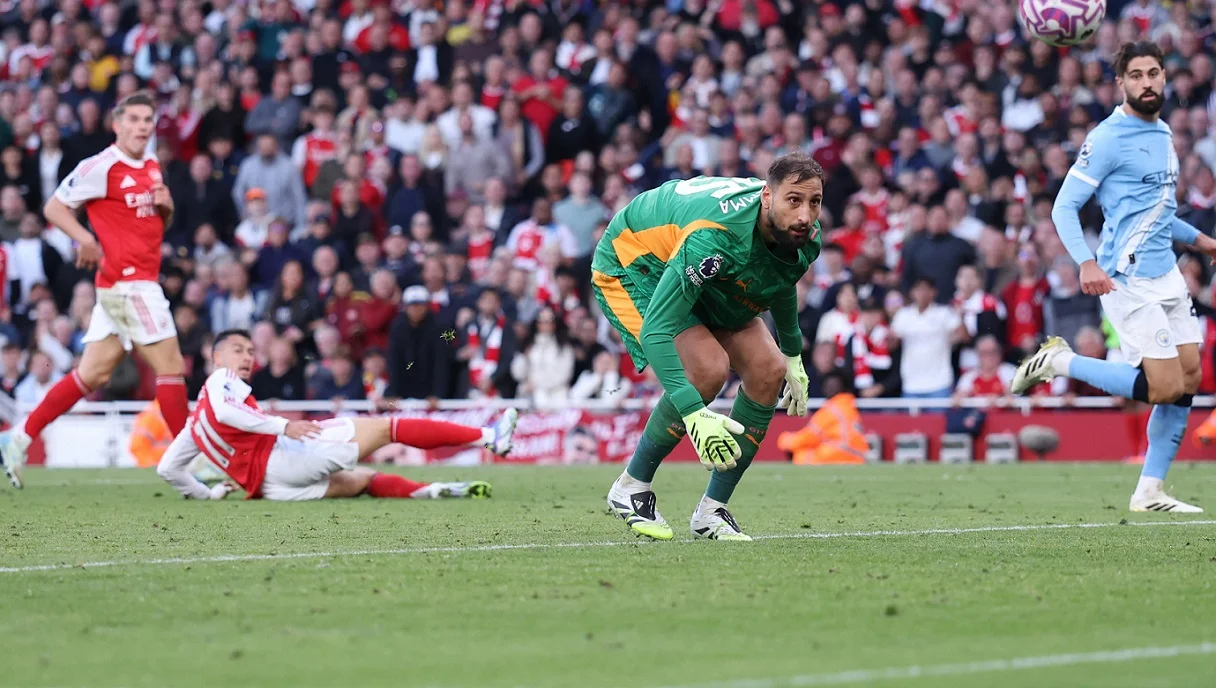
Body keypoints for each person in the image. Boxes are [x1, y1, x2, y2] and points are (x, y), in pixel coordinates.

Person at [1017, 42, 1216, 513]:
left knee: (1189, 380)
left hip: (1167, 274)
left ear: (1165, 78)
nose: (1147, 82)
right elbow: (1063, 206)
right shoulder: (1107, 137)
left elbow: (1159, 212)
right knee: (1163, 387)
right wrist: (1085, 261)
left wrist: (1202, 241)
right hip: (1126, 279)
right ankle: (1059, 362)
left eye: (1154, 73)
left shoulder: (1164, 132)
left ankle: (1149, 491)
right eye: (1137, 75)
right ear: (1120, 83)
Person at [592, 153, 822, 542]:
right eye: (794, 200)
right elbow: (656, 331)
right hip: (634, 261)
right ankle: (630, 487)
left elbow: (780, 280)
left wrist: (794, 353)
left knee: (769, 370)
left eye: (814, 202)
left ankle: (711, 512)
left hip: (698, 262)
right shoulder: (715, 237)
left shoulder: (805, 237)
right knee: (708, 369)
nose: (804, 215)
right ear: (767, 197)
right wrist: (694, 413)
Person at [1, 92, 188, 489]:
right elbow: (54, 208)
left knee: (91, 374)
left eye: (147, 119)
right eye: (134, 119)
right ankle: (186, 464)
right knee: (171, 368)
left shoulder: (152, 165)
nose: (141, 126)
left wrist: (167, 209)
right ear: (117, 124)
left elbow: (152, 226)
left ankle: (17, 437)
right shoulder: (101, 166)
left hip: (127, 284)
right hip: (130, 283)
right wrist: (84, 239)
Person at [156, 329, 518, 502]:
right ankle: (489, 437)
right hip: (281, 457)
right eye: (238, 350)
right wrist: (285, 425)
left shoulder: (195, 422)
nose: (247, 357)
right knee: (384, 427)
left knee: (358, 480)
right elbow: (227, 411)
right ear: (216, 357)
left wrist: (206, 496)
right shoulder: (223, 379)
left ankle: (438, 491)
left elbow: (168, 469)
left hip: (270, 488)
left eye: (251, 351)